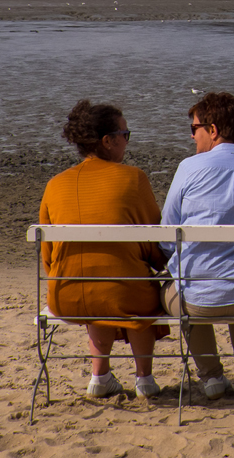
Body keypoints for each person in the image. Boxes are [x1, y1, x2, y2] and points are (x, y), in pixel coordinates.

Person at [38, 99, 168, 399]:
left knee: (97, 286)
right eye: (125, 134)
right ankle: (145, 379)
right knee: (134, 290)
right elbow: (154, 240)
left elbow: (49, 256)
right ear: (107, 142)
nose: (127, 140)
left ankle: (100, 376)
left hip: (65, 294)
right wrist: (158, 264)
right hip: (123, 292)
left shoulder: (55, 184)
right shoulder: (133, 178)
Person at [160, 91, 234, 401]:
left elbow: (166, 234)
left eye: (194, 128)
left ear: (212, 131)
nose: (192, 136)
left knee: (183, 287)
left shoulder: (188, 168)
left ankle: (211, 377)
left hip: (198, 300)